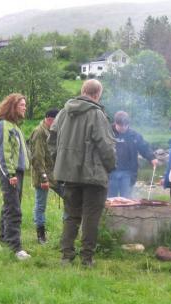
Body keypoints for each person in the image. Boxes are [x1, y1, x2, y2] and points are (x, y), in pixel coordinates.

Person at [48, 79, 116, 267]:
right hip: (93, 176)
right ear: (97, 94)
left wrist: (60, 163)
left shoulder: (62, 113)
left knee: (71, 216)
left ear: (82, 90)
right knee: (91, 218)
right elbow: (106, 147)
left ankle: (66, 257)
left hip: (68, 175)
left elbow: (51, 141)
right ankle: (87, 259)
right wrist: (110, 167)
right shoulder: (97, 114)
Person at [0, 93, 31, 260]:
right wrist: (10, 174)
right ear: (13, 106)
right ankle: (16, 248)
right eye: (22, 105)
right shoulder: (3, 125)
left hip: (17, 173)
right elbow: (3, 153)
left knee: (9, 207)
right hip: (11, 174)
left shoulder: (14, 126)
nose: (25, 107)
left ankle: (4, 241)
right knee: (14, 209)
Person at [108, 111, 158, 198]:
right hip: (111, 172)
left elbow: (144, 147)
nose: (123, 128)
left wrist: (152, 158)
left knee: (126, 198)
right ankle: (111, 211)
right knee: (111, 199)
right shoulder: (107, 133)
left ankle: (125, 212)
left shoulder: (134, 135)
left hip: (128, 172)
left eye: (125, 125)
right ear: (115, 123)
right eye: (121, 125)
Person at [29, 108, 59, 245]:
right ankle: (41, 236)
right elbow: (37, 157)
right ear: (49, 119)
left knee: (69, 198)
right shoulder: (39, 132)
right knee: (41, 206)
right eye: (57, 119)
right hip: (43, 175)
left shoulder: (52, 132)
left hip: (55, 174)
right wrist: (43, 178)